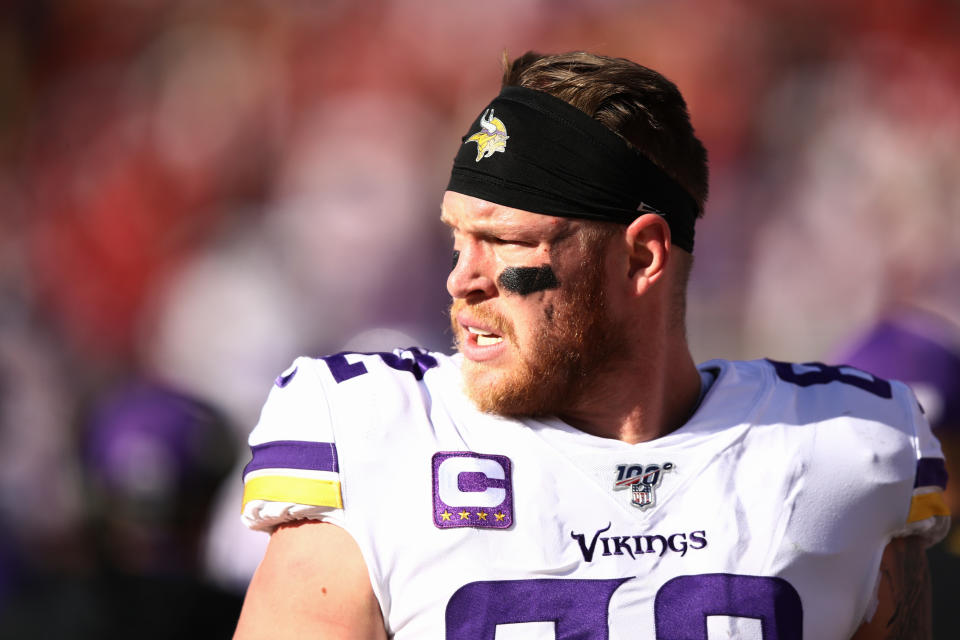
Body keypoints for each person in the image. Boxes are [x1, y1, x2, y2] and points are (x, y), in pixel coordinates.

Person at [232, 51, 948, 639]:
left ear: (641, 258)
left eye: (505, 241)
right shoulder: (372, 434)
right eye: (458, 238)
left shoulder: (848, 451)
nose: (460, 280)